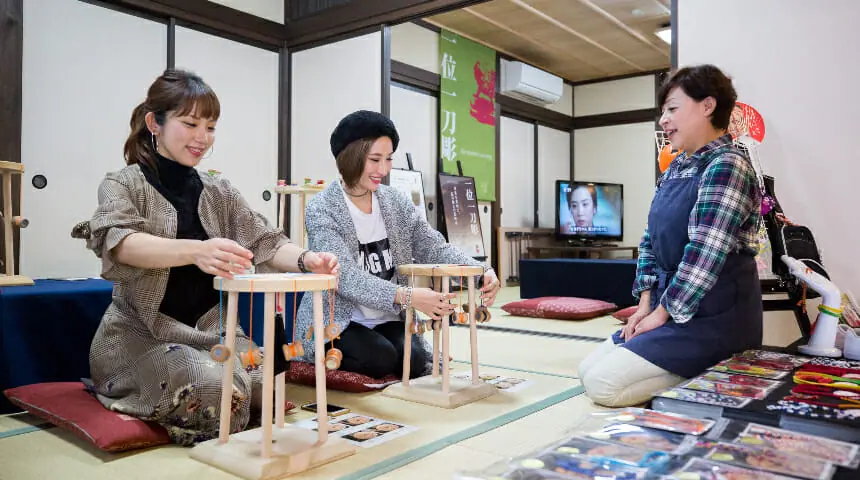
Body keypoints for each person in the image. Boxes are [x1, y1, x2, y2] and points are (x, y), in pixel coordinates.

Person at [71, 69, 340, 445]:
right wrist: (196, 250)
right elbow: (121, 243)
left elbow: (264, 240)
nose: (203, 137)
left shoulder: (219, 190)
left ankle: (226, 391)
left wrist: (308, 259)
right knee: (218, 389)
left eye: (211, 127)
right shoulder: (123, 183)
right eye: (190, 123)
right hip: (142, 334)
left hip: (213, 333)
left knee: (272, 384)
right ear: (155, 123)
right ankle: (135, 388)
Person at [578, 64, 764, 407]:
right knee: (587, 370)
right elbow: (650, 239)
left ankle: (713, 374)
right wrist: (644, 306)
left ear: (707, 106)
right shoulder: (678, 167)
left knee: (603, 385)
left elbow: (704, 254)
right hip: (668, 305)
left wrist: (660, 315)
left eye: (673, 109)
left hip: (713, 317)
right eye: (663, 111)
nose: (663, 120)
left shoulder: (728, 165)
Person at [293, 110, 501, 379]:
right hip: (338, 322)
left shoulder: (396, 202)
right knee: (380, 358)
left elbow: (432, 246)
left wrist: (478, 270)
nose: (384, 170)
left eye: (389, 159)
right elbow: (345, 278)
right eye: (375, 160)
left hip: (387, 317)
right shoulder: (322, 208)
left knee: (414, 361)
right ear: (350, 157)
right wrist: (410, 297)